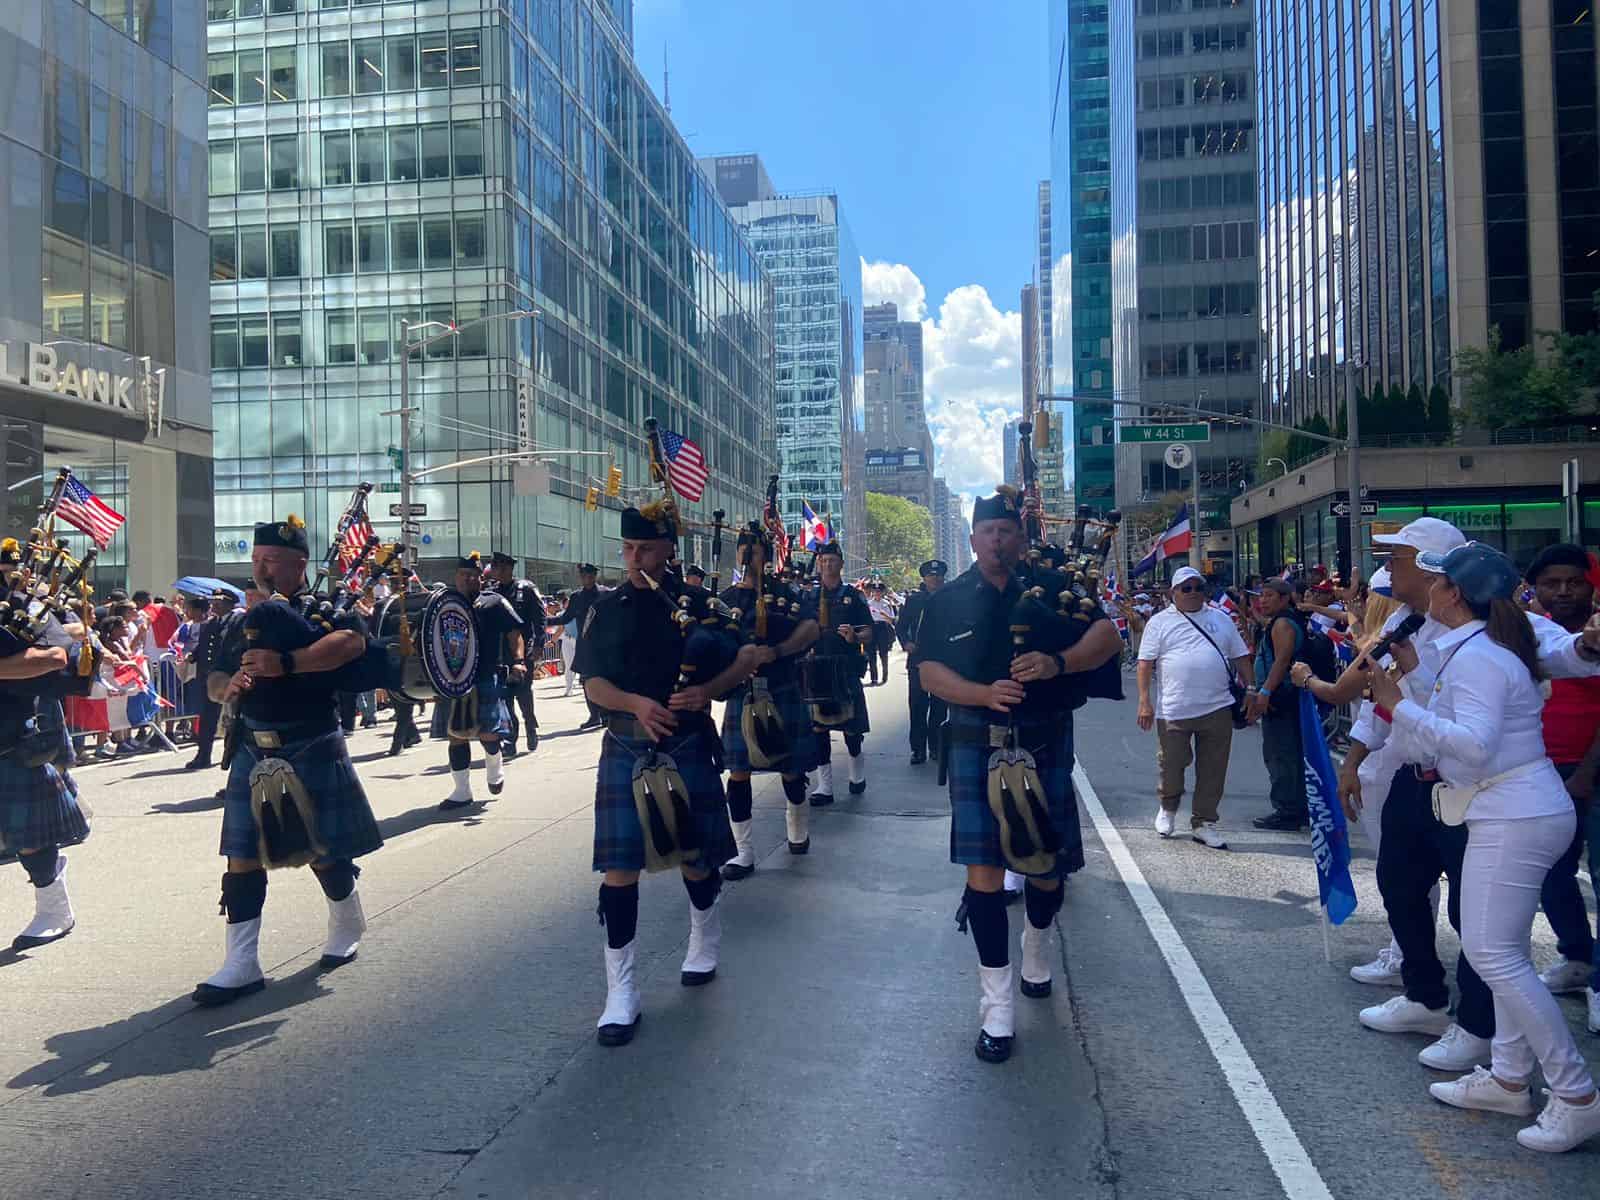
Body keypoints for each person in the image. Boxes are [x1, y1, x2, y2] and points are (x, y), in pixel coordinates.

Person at [1364, 542, 1600, 1153]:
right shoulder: (1473, 648)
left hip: (1511, 809)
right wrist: (1408, 698)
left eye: (1435, 581)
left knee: (1496, 956)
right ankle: (1508, 1076)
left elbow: (1469, 747)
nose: (1422, 588)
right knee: (1506, 952)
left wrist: (1399, 708)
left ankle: (1576, 1095)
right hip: (1513, 806)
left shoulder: (1479, 656)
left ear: (1453, 593)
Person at [917, 488, 1123, 1063]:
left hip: (1043, 737)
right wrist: (982, 692)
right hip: (976, 742)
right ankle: (997, 1007)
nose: (996, 539)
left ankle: (1037, 942)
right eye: (987, 530)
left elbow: (1107, 637)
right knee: (982, 872)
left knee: (1046, 871)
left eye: (1006, 530)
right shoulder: (951, 598)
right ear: (974, 535)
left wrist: (1059, 663)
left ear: (1021, 535)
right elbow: (929, 671)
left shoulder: (1057, 589)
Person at [577, 504, 758, 1047]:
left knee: (697, 861)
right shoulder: (607, 610)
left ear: (668, 551)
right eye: (628, 549)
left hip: (684, 743)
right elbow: (592, 683)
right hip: (626, 745)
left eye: (647, 550)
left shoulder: (699, 605)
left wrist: (708, 690)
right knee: (619, 869)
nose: (635, 559)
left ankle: (704, 933)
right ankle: (621, 990)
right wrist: (634, 703)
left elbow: (747, 653)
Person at [197, 514, 385, 1006]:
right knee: (241, 856)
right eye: (257, 560)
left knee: (322, 850)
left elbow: (350, 645)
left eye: (272, 561)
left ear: (299, 564)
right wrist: (229, 687)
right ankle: (241, 963)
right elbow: (213, 679)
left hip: (311, 740)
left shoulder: (328, 607)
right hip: (252, 745)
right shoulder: (240, 620)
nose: (261, 569)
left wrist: (286, 663)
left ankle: (346, 916)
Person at [1522, 545, 1600, 1034]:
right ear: (1535, 588)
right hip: (1547, 775)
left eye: (1573, 581)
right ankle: (1577, 958)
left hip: (1588, 774)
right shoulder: (1523, 633)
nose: (1563, 591)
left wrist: (1585, 775)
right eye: (1552, 583)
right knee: (1552, 876)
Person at [718, 523, 820, 877]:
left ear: (766, 555)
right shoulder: (727, 600)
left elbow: (811, 629)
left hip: (781, 688)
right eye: (743, 550)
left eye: (755, 550)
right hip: (741, 694)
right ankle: (743, 851)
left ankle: (798, 831)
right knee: (738, 772)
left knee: (791, 769)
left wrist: (776, 651)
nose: (748, 556)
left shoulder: (786, 593)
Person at [1135, 565, 1253, 849]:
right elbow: (1145, 663)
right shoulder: (1159, 622)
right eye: (1185, 588)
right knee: (1172, 765)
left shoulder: (1220, 619)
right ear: (1173, 593)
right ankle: (1168, 808)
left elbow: (1240, 656)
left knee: (1213, 768)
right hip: (1174, 709)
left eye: (1197, 587)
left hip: (1218, 708)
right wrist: (1144, 701)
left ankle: (1204, 822)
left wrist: (1251, 688)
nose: (1192, 593)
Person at [435, 552, 526, 811]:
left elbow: (514, 632)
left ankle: (494, 766)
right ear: (456, 577)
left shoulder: (494, 602)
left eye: (474, 576)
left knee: (488, 734)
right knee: (456, 736)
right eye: (465, 575)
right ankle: (462, 791)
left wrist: (519, 660)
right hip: (453, 680)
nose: (470, 580)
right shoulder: (445, 603)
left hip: (487, 674)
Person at [804, 542, 873, 804]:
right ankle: (825, 786)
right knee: (818, 730)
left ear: (841, 564)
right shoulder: (809, 597)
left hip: (845, 667)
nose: (828, 564)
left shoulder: (853, 596)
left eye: (832, 560)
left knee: (852, 730)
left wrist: (855, 636)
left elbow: (869, 630)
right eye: (824, 560)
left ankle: (857, 776)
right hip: (816, 670)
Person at [1246, 578, 1310, 831]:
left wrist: (1265, 691)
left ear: (1284, 598)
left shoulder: (1283, 624)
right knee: (1287, 753)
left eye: (1269, 596)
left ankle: (1287, 810)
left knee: (1280, 755)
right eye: (1261, 596)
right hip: (1284, 697)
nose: (1263, 600)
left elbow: (1281, 661)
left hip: (1281, 698)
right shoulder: (1281, 621)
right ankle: (1297, 808)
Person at [486, 552, 543, 757]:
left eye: (501, 568)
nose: (498, 572)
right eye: (495, 568)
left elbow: (539, 617)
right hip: (500, 653)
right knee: (505, 697)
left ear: (510, 569)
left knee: (523, 693)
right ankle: (510, 740)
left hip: (522, 650)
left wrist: (538, 643)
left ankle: (530, 725)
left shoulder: (526, 589)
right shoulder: (491, 592)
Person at [896, 559, 949, 766]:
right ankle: (918, 749)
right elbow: (901, 627)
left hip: (943, 660)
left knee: (939, 706)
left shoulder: (951, 599)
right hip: (918, 659)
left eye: (938, 575)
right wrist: (906, 643)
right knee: (917, 705)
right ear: (924, 579)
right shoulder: (914, 600)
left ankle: (936, 747)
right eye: (930, 576)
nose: (934, 579)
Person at [185, 590, 236, 770]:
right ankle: (203, 755)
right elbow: (204, 646)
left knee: (231, 720)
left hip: (228, 678)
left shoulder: (236, 622)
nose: (213, 605)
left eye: (218, 602)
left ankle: (230, 757)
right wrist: (193, 656)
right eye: (213, 602)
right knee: (207, 718)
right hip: (209, 678)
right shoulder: (210, 624)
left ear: (230, 604)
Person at [548, 564, 604, 724]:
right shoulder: (577, 597)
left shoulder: (605, 594)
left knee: (605, 679)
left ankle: (606, 715)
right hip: (585, 645)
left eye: (590, 575)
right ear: (580, 577)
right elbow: (565, 618)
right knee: (586, 680)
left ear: (595, 576)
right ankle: (594, 716)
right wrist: (544, 621)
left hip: (604, 645)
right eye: (584, 576)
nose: (587, 579)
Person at [867, 582, 897, 685]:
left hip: (883, 628)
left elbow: (892, 620)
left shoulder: (887, 603)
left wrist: (885, 616)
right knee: (871, 654)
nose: (877, 593)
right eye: (875, 591)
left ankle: (885, 676)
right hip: (872, 628)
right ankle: (873, 678)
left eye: (879, 591)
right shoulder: (868, 604)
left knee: (883, 653)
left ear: (882, 592)